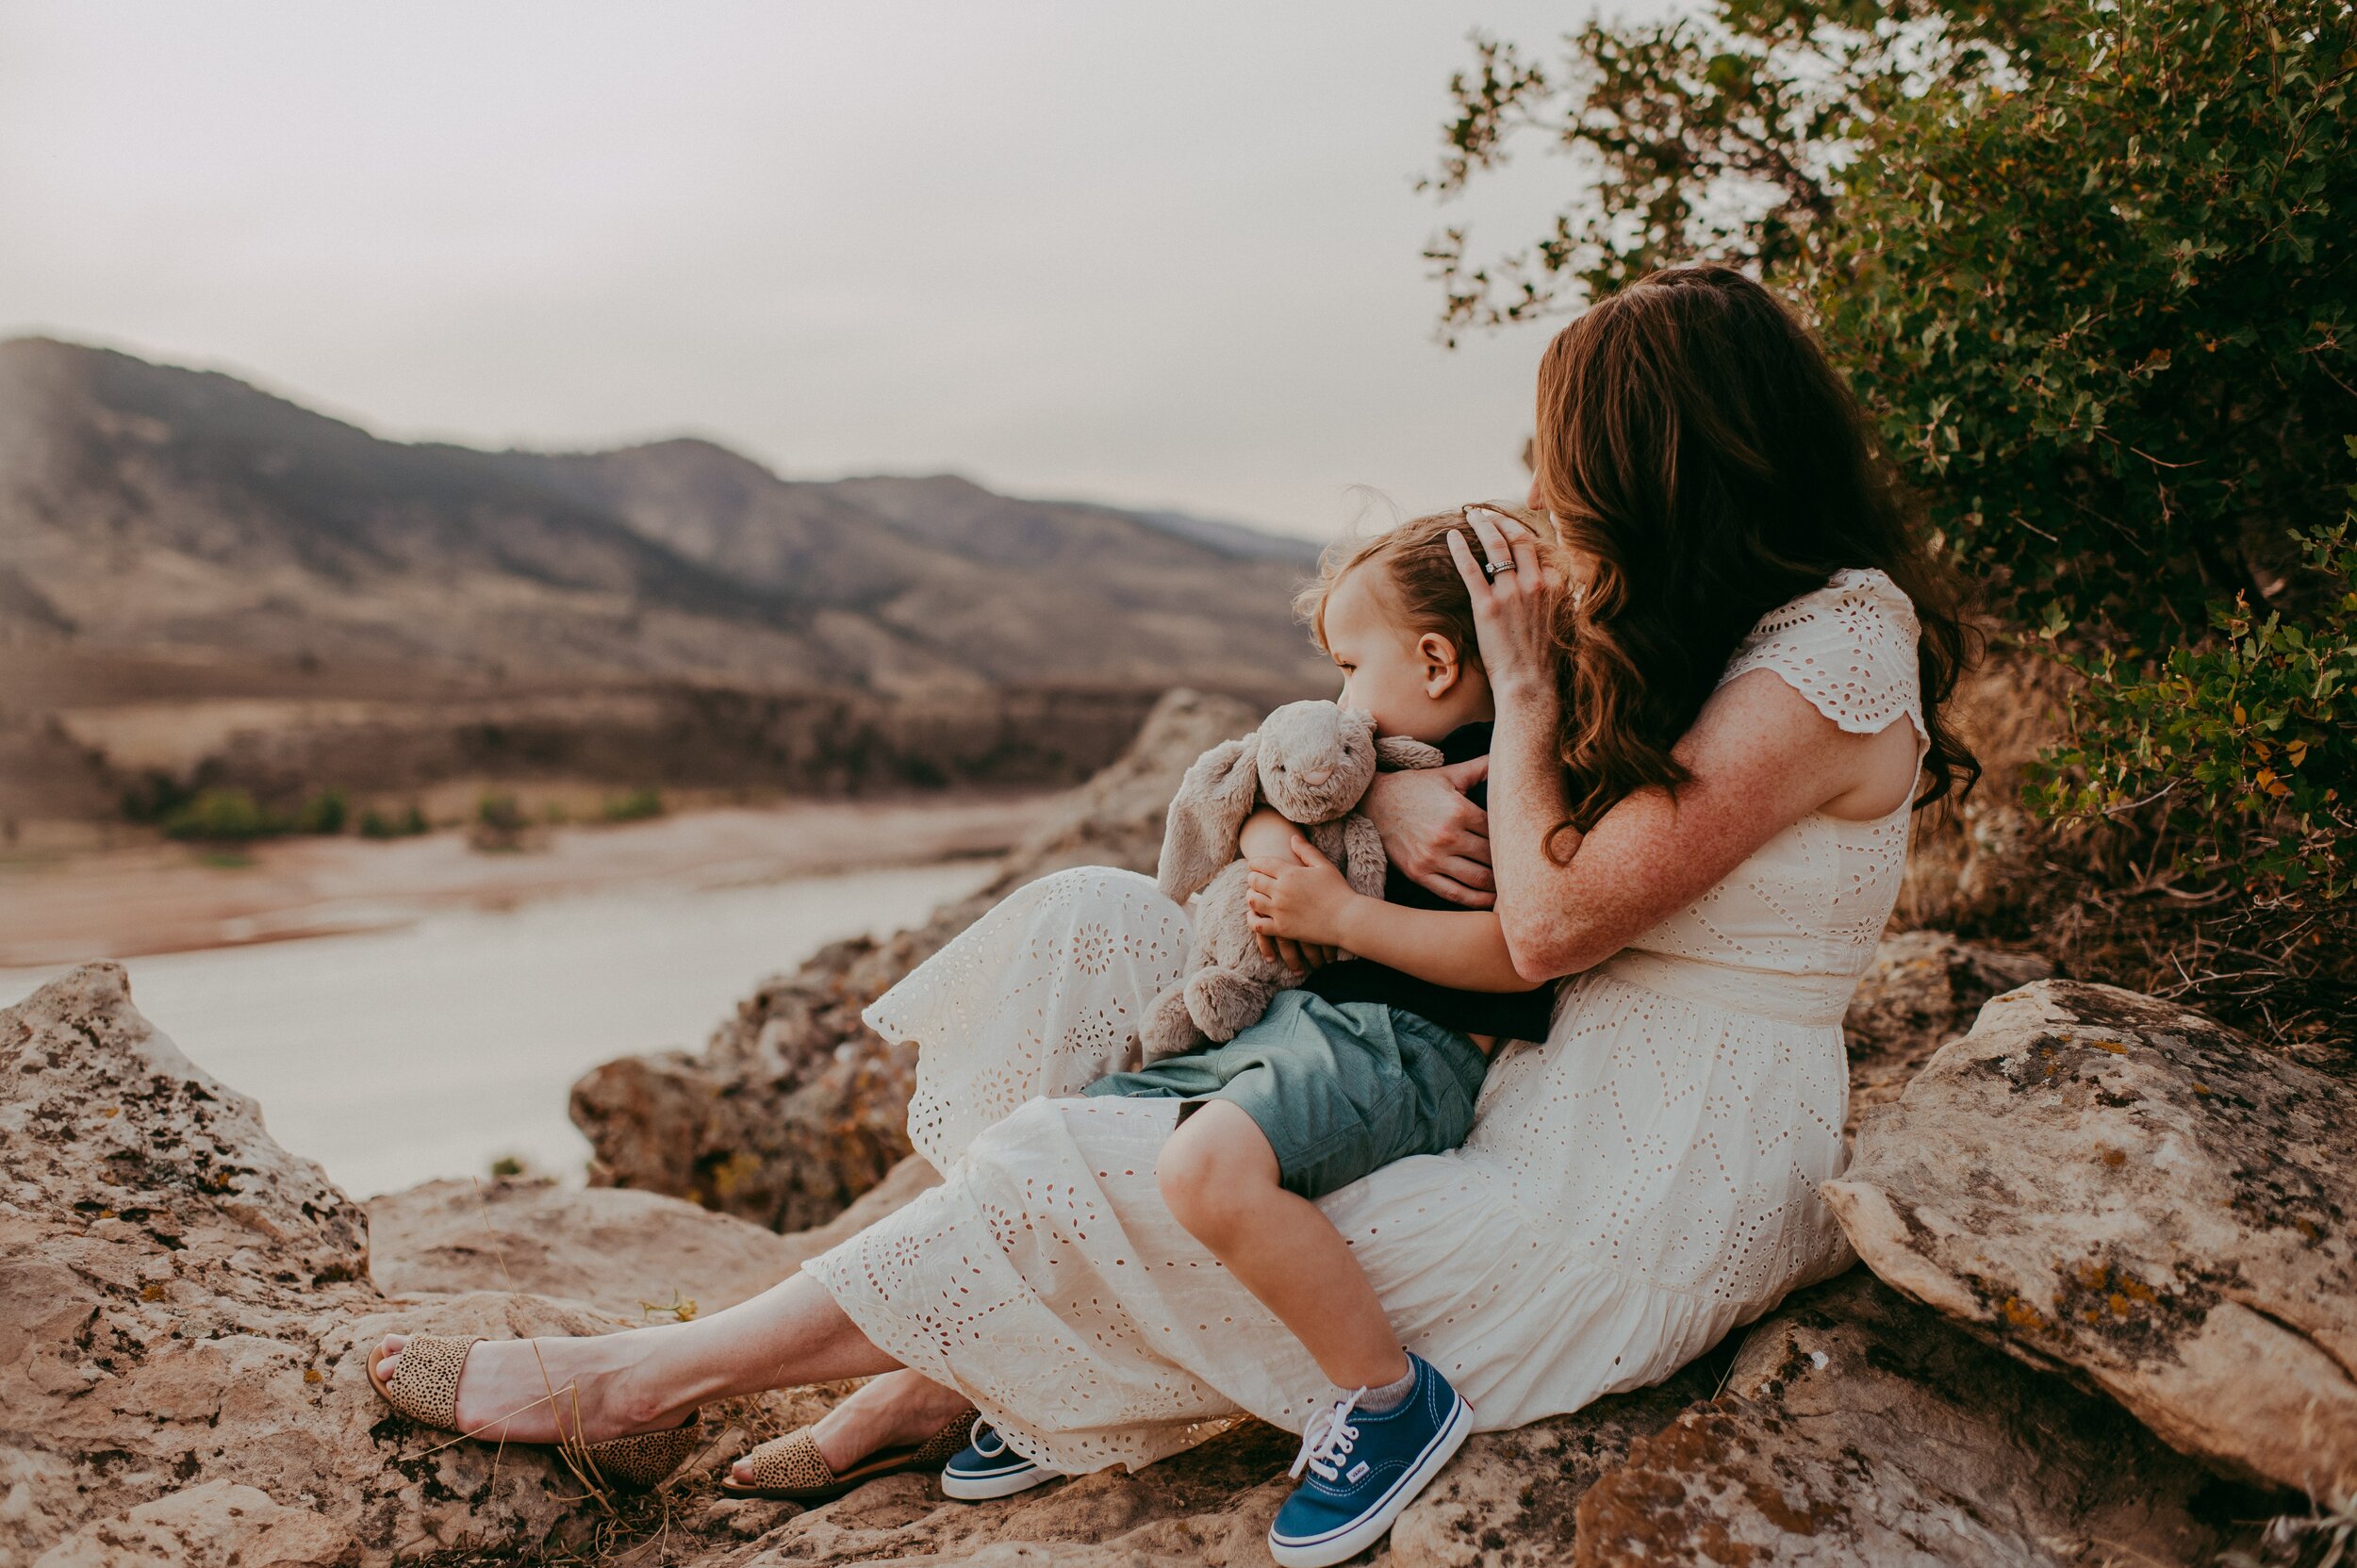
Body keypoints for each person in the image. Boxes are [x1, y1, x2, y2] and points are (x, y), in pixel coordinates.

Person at [363, 263, 1976, 1568]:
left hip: (1644, 1170)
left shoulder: (1829, 655)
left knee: (1118, 1163)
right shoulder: (1689, 613)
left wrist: (1533, 690)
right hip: (1512, 1063)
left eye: (1574, 453)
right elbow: (1362, 723)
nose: (1552, 485)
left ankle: (644, 1380)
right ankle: (956, 1367)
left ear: (1669, 456)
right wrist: (1389, 796)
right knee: (1086, 927)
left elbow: (1550, 921)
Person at [1055, 506, 1559, 1562]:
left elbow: (1523, 953)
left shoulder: (1513, 768)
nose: (1336, 701)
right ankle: (1060, 1383)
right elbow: (1251, 785)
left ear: (1431, 658)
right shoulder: (1383, 760)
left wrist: (1339, 918)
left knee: (1204, 1169)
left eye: (1346, 666)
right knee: (1081, 1132)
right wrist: (1311, 812)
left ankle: (1388, 1400)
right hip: (1303, 1021)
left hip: (1410, 1045)